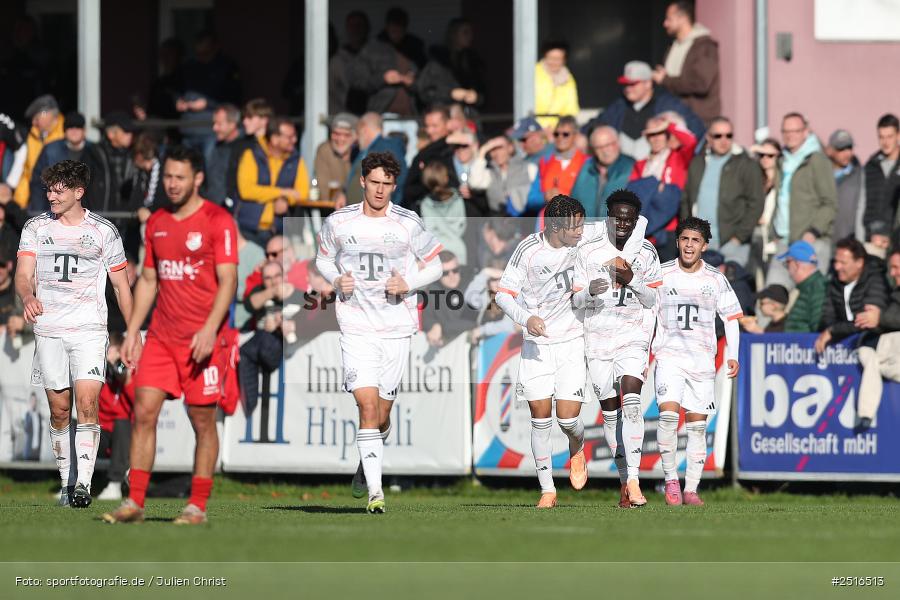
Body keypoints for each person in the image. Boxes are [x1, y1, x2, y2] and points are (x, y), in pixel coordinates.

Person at [103, 146, 238, 525]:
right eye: (168, 177)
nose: (172, 184)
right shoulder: (158, 221)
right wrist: (132, 331)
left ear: (197, 179)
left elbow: (229, 280)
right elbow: (148, 279)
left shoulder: (217, 220)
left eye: (180, 177)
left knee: (201, 420)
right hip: (161, 337)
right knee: (143, 411)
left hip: (202, 340)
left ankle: (196, 506)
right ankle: (135, 503)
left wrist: (212, 328)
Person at [315, 151, 443, 514]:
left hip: (396, 328)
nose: (380, 190)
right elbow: (323, 258)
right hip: (355, 326)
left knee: (382, 415)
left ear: (394, 185)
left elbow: (435, 265)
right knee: (366, 406)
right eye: (375, 182)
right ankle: (376, 492)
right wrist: (336, 278)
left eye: (387, 184)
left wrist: (409, 281)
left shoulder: (407, 222)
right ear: (362, 181)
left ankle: (364, 463)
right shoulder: (339, 222)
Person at [14, 159, 135, 507]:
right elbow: (24, 274)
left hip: (89, 330)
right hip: (49, 329)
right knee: (59, 410)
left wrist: (131, 333)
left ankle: (82, 485)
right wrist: (27, 295)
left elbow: (121, 288)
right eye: (49, 189)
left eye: (58, 190)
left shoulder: (104, 231)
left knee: (87, 402)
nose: (51, 195)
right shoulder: (36, 227)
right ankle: (66, 483)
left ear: (78, 192)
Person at [494, 195, 601, 508]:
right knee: (539, 416)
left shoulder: (584, 237)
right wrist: (527, 318)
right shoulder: (529, 251)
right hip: (538, 345)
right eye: (574, 226)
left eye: (582, 224)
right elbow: (503, 296)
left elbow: (630, 230)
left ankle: (576, 447)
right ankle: (547, 490)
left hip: (571, 342)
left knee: (568, 420)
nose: (581, 231)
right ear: (555, 227)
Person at [572, 190, 658, 508]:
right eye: (617, 216)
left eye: (629, 218)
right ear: (608, 216)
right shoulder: (588, 251)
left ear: (636, 220)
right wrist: (590, 293)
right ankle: (624, 482)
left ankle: (635, 481)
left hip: (632, 338)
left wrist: (632, 279)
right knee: (611, 414)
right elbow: (576, 300)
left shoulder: (647, 252)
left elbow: (652, 299)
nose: (623, 222)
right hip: (597, 340)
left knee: (632, 401)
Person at [653, 217, 741, 506]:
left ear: (704, 246)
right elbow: (646, 314)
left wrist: (733, 355)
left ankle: (691, 488)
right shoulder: (661, 274)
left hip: (702, 360)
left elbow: (730, 318)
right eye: (685, 239)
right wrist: (645, 350)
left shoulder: (715, 279)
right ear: (678, 242)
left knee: (697, 427)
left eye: (695, 241)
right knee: (666, 417)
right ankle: (670, 482)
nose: (689, 245)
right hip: (669, 357)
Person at [766, 112, 837, 289]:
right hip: (784, 242)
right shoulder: (782, 160)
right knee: (771, 298)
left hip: (811, 242)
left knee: (810, 300)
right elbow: (780, 199)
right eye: (785, 131)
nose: (790, 135)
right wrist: (774, 233)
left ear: (805, 132)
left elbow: (830, 202)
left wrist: (812, 232)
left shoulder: (817, 160)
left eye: (795, 131)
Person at [681, 116, 764, 267]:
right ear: (708, 138)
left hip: (732, 244)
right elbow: (686, 200)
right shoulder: (697, 163)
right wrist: (688, 235)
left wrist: (738, 238)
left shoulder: (747, 165)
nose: (724, 140)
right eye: (718, 136)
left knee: (731, 285)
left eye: (729, 135)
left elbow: (756, 203)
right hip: (700, 243)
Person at [589, 61, 705, 161]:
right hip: (625, 171)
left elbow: (697, 131)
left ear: (648, 83)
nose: (628, 89)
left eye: (633, 84)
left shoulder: (669, 104)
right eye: (625, 84)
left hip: (658, 169)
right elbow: (594, 125)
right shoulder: (619, 106)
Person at [240, 261, 304, 411]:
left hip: (287, 348)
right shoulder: (261, 292)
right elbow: (250, 304)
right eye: (268, 278)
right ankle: (249, 407)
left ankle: (250, 406)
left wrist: (278, 326)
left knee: (253, 345)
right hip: (263, 348)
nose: (273, 281)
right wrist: (272, 291)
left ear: (284, 276)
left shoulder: (299, 296)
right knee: (246, 350)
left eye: (277, 276)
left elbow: (311, 319)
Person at [235, 117, 310, 246]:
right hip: (249, 228)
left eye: (295, 136)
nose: (294, 140)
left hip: (280, 230)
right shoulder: (251, 155)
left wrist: (286, 200)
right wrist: (283, 192)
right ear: (275, 139)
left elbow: (302, 193)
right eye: (289, 137)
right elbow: (246, 190)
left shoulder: (296, 160)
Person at [815, 238, 888, 356]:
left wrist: (834, 331)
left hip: (871, 347)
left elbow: (866, 322)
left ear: (859, 262)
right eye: (836, 261)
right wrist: (832, 329)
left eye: (843, 262)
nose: (837, 267)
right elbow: (828, 318)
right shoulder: (834, 282)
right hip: (841, 353)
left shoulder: (876, 281)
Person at [653, 1, 721, 126]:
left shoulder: (703, 46)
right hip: (676, 117)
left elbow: (701, 84)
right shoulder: (674, 47)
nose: (665, 24)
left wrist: (666, 80)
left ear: (682, 18)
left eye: (669, 19)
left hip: (698, 120)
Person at [854, 249, 900, 432]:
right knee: (871, 359)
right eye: (892, 268)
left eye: (897, 268)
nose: (893, 273)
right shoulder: (893, 292)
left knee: (872, 358)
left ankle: (865, 414)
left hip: (888, 346)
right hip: (882, 350)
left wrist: (879, 319)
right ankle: (865, 414)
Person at [29, 112, 109, 213]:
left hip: (86, 213)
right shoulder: (50, 150)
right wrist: (39, 212)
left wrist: (98, 214)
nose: (74, 131)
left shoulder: (96, 151)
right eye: (70, 127)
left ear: (84, 130)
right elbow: (37, 182)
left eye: (78, 127)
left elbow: (102, 184)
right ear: (64, 130)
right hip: (55, 212)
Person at [96, 332, 134, 501]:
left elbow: (138, 404)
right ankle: (72, 483)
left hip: (124, 433)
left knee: (122, 423)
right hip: (101, 430)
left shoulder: (132, 368)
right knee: (76, 427)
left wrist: (124, 376)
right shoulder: (98, 367)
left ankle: (115, 484)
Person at [524, 116, 588, 216]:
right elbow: (531, 200)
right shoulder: (544, 162)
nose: (560, 137)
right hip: (547, 225)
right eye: (556, 134)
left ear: (575, 136)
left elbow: (592, 198)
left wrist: (565, 197)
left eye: (565, 134)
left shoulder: (587, 162)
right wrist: (545, 197)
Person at [343, 112, 407, 208]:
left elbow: (399, 181)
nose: (356, 138)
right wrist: (343, 193)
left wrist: (387, 211)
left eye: (357, 132)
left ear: (364, 128)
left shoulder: (387, 148)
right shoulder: (365, 150)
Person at [571, 126, 635, 220]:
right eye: (599, 147)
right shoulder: (586, 169)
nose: (605, 150)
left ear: (618, 143)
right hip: (587, 231)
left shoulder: (631, 167)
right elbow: (574, 201)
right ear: (593, 149)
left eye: (609, 144)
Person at [14, 94, 64, 208]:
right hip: (38, 202)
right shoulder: (33, 137)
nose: (33, 123)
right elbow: (27, 174)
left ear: (47, 114)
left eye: (36, 118)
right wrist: (18, 205)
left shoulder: (67, 134)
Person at [469, 135, 537, 216]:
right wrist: (483, 151)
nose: (497, 153)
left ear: (510, 148)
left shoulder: (529, 168)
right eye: (492, 149)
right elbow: (474, 183)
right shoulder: (489, 173)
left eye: (500, 147)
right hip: (499, 222)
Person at [404, 105, 458, 208]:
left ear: (448, 124)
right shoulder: (423, 154)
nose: (429, 131)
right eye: (427, 126)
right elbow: (409, 190)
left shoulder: (459, 148)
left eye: (434, 126)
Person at [422, 251, 477, 347]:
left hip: (472, 346)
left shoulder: (473, 285)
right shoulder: (431, 290)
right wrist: (433, 325)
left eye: (455, 270)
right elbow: (427, 318)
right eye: (445, 273)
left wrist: (442, 328)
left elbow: (474, 321)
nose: (451, 276)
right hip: (445, 352)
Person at [862, 114, 900, 241]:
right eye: (881, 137)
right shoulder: (871, 166)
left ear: (898, 136)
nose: (885, 142)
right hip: (872, 236)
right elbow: (862, 204)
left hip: (896, 238)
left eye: (890, 136)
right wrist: (867, 233)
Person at [777, 240, 827, 333]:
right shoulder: (808, 287)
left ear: (796, 264)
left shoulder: (817, 288)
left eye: (787, 264)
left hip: (806, 346)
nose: (787, 270)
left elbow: (819, 327)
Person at [825, 129, 865, 244]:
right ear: (830, 150)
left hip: (849, 243)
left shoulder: (860, 175)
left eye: (849, 148)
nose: (847, 153)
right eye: (841, 149)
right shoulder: (821, 175)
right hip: (824, 241)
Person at [534, 41, 580, 131]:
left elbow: (571, 110)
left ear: (564, 60)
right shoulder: (534, 73)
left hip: (558, 131)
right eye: (551, 58)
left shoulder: (569, 79)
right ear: (544, 57)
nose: (554, 62)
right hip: (534, 128)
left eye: (558, 59)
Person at [314, 113, 358, 205]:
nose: (340, 139)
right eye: (336, 133)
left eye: (346, 135)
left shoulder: (360, 152)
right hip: (332, 209)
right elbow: (324, 189)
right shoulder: (325, 150)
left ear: (355, 137)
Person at [206, 103, 242, 207]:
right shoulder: (213, 145)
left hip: (233, 207)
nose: (214, 128)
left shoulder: (245, 148)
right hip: (214, 206)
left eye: (219, 124)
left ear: (232, 124)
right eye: (214, 123)